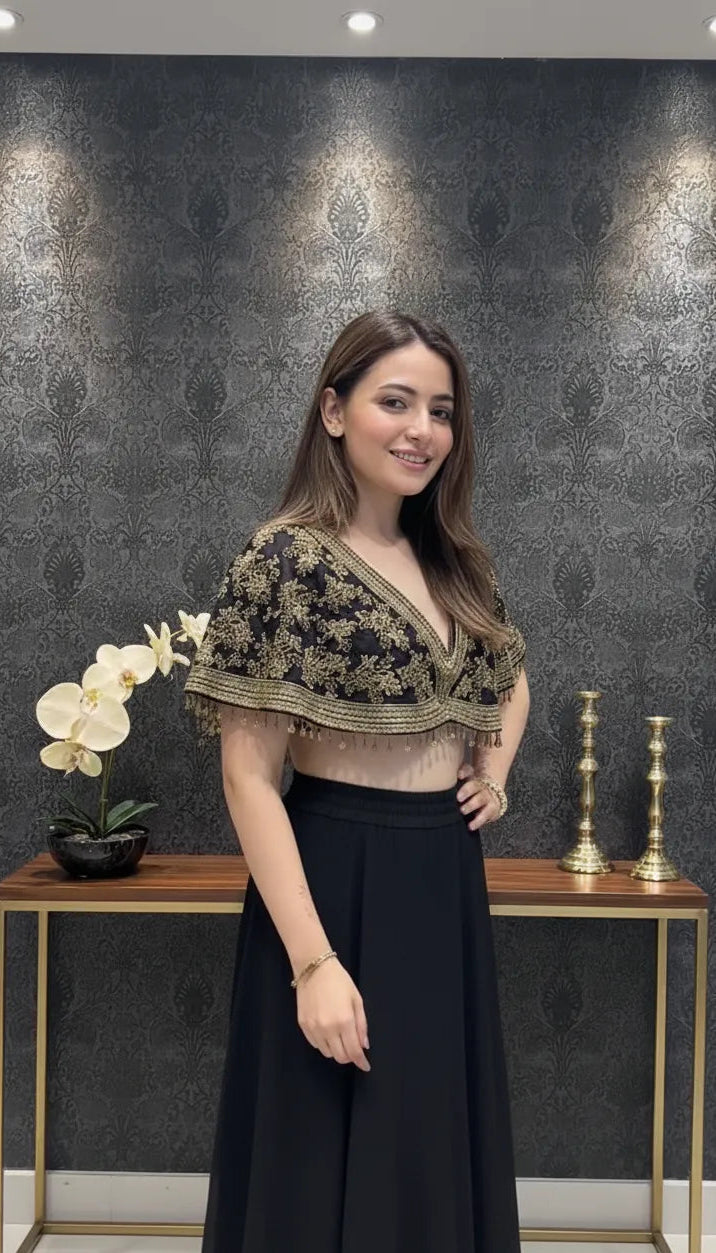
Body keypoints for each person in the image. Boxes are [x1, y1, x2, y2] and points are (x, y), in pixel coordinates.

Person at [184, 309, 530, 1253]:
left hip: (441, 882)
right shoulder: (284, 559)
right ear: (334, 411)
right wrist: (312, 962)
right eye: (396, 401)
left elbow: (512, 676)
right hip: (331, 873)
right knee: (315, 1149)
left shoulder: (453, 559)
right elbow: (248, 774)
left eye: (442, 409)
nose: (423, 428)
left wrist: (491, 772)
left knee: (425, 1147)